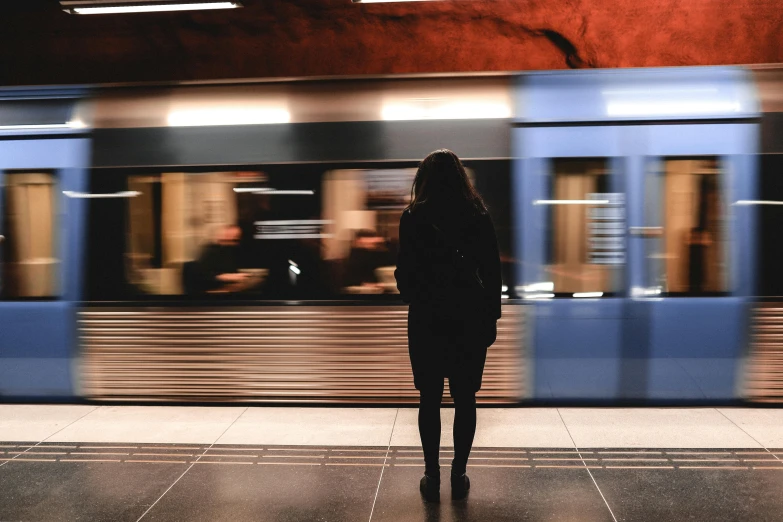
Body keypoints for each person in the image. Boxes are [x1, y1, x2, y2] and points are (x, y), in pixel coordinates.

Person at [394, 149, 501, 502]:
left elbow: (405, 278)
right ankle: (459, 472)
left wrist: (421, 291)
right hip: (469, 322)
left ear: (423, 179)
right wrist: (491, 321)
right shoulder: (478, 216)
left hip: (427, 321)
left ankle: (431, 474)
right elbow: (493, 273)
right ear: (460, 178)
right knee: (465, 398)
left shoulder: (413, 217)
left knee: (429, 399)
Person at [192, 224, 249, 293]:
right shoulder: (210, 251)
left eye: (235, 239)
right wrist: (223, 276)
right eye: (228, 237)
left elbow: (232, 271)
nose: (232, 242)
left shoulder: (232, 251)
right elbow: (200, 275)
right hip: (210, 290)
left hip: (228, 288)